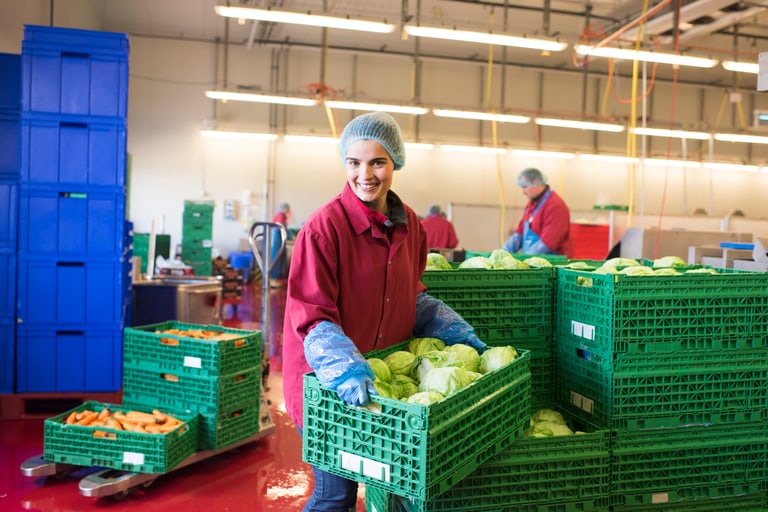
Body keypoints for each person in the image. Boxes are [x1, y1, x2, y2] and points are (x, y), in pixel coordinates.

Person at [281, 111, 487, 512]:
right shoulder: (324, 229)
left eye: (377, 162)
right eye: (354, 162)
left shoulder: (411, 224)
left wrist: (452, 329)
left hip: (383, 382)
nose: (365, 174)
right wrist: (346, 369)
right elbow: (312, 315)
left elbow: (410, 294)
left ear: (396, 163)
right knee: (334, 495)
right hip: (328, 381)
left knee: (396, 482)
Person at [502, 168, 572, 257]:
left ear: (536, 182)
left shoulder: (555, 206)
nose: (523, 192)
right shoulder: (532, 204)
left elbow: (548, 243)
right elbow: (520, 233)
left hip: (551, 262)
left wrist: (525, 259)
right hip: (532, 259)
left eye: (524, 187)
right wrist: (504, 252)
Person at [269, 202, 291, 285]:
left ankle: (273, 278)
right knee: (276, 259)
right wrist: (289, 236)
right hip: (277, 239)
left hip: (277, 239)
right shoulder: (281, 215)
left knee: (276, 259)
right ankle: (272, 279)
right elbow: (282, 228)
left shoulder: (280, 215)